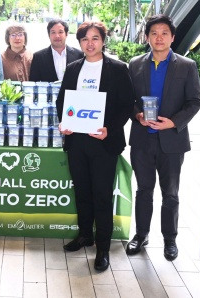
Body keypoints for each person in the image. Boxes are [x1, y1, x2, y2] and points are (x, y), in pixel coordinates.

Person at [56, 21, 134, 272]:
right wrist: (64, 122)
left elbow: (127, 104)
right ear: (79, 42)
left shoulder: (118, 68)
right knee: (82, 192)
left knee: (101, 195)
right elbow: (62, 101)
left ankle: (103, 248)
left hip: (104, 142)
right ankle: (85, 235)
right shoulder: (73, 68)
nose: (90, 44)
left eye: (95, 38)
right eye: (85, 39)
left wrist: (110, 129)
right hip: (77, 141)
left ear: (103, 41)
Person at [125, 14, 200, 262]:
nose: (159, 38)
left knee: (170, 193)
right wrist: (137, 114)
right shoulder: (135, 64)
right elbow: (127, 99)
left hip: (172, 142)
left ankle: (170, 239)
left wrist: (174, 122)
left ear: (172, 37)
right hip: (142, 140)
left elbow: (194, 102)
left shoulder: (187, 66)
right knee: (143, 190)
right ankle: (141, 234)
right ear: (147, 37)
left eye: (164, 33)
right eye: (154, 33)